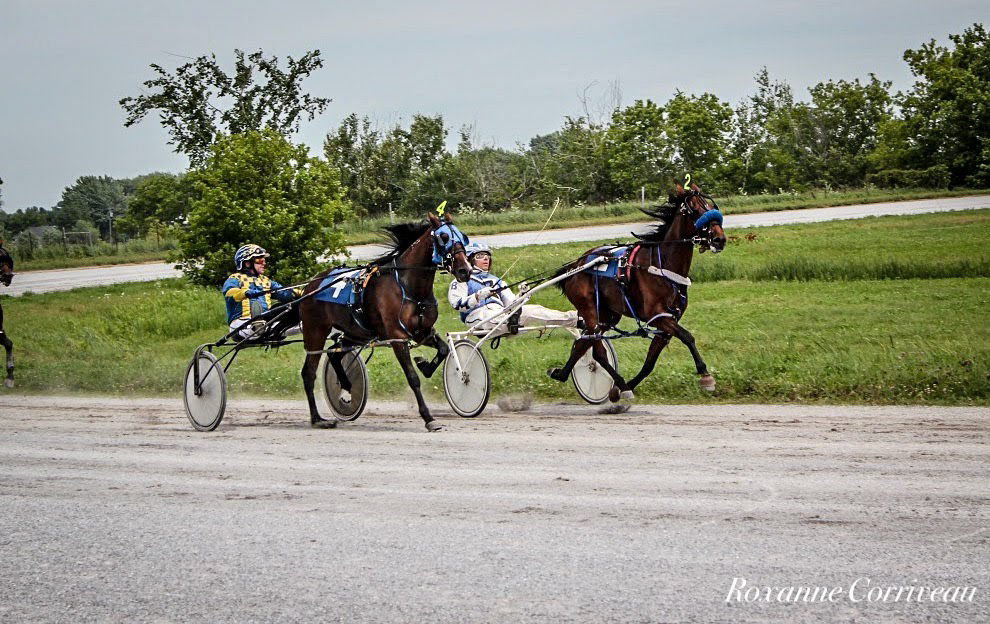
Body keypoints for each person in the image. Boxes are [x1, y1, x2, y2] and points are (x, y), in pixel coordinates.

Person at [448, 242, 579, 336]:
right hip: (476, 316)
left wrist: (522, 295)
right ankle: (512, 322)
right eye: (480, 256)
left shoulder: (496, 281)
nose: (486, 259)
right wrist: (478, 296)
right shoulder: (461, 281)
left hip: (501, 312)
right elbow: (457, 304)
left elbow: (511, 304)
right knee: (491, 316)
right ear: (470, 260)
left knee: (535, 309)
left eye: (487, 256)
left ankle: (576, 319)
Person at [223, 244, 301, 340]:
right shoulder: (235, 278)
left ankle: (263, 327)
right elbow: (229, 292)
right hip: (240, 324)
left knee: (298, 319)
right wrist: (245, 292)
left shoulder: (266, 281)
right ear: (247, 263)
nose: (264, 263)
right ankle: (258, 327)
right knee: (260, 323)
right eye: (260, 260)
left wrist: (302, 293)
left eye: (264, 261)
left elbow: (284, 292)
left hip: (266, 323)